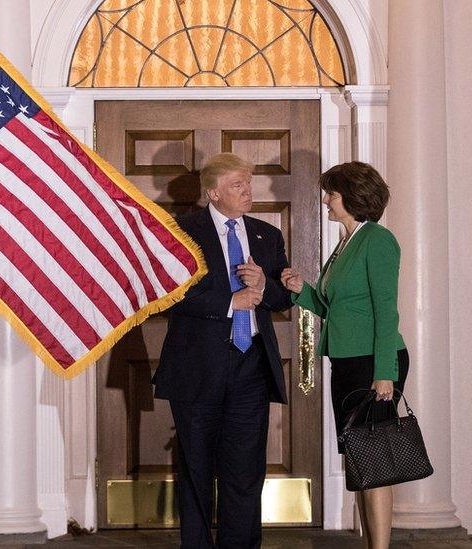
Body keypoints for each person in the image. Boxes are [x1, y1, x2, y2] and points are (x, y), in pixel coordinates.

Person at [153, 153, 292, 549]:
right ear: (213, 193)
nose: (248, 191)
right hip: (197, 369)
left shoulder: (267, 235)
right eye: (237, 185)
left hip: (252, 368)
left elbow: (283, 297)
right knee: (196, 467)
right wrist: (233, 301)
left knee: (246, 470)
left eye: (248, 183)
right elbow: (172, 293)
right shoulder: (182, 232)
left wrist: (264, 287)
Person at [280, 161, 409, 549]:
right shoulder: (345, 244)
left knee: (374, 459)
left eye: (331, 194)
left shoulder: (378, 240)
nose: (325, 200)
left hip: (375, 362)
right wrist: (301, 289)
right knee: (357, 458)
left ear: (352, 197)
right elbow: (333, 307)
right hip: (347, 362)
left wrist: (384, 372)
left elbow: (387, 311)